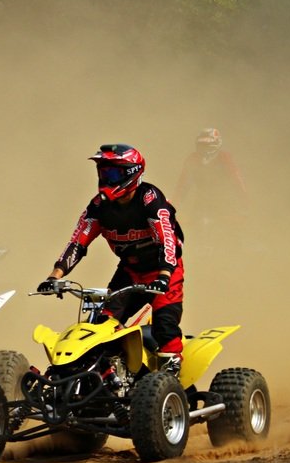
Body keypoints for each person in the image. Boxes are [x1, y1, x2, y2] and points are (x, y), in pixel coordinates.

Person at [36, 144, 186, 369]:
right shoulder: (98, 207)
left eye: (112, 173)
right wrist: (54, 277)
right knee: (102, 324)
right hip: (130, 271)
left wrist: (164, 276)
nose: (105, 178)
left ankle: (171, 378)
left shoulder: (150, 199)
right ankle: (107, 376)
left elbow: (168, 241)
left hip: (163, 270)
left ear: (131, 173)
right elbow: (77, 242)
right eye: (103, 173)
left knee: (164, 327)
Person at [174, 127, 250, 237]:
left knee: (230, 235)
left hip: (224, 203)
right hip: (201, 202)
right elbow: (182, 187)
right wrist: (171, 210)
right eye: (202, 145)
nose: (205, 149)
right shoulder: (193, 159)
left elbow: (238, 183)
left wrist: (244, 210)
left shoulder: (225, 158)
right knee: (194, 234)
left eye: (208, 145)